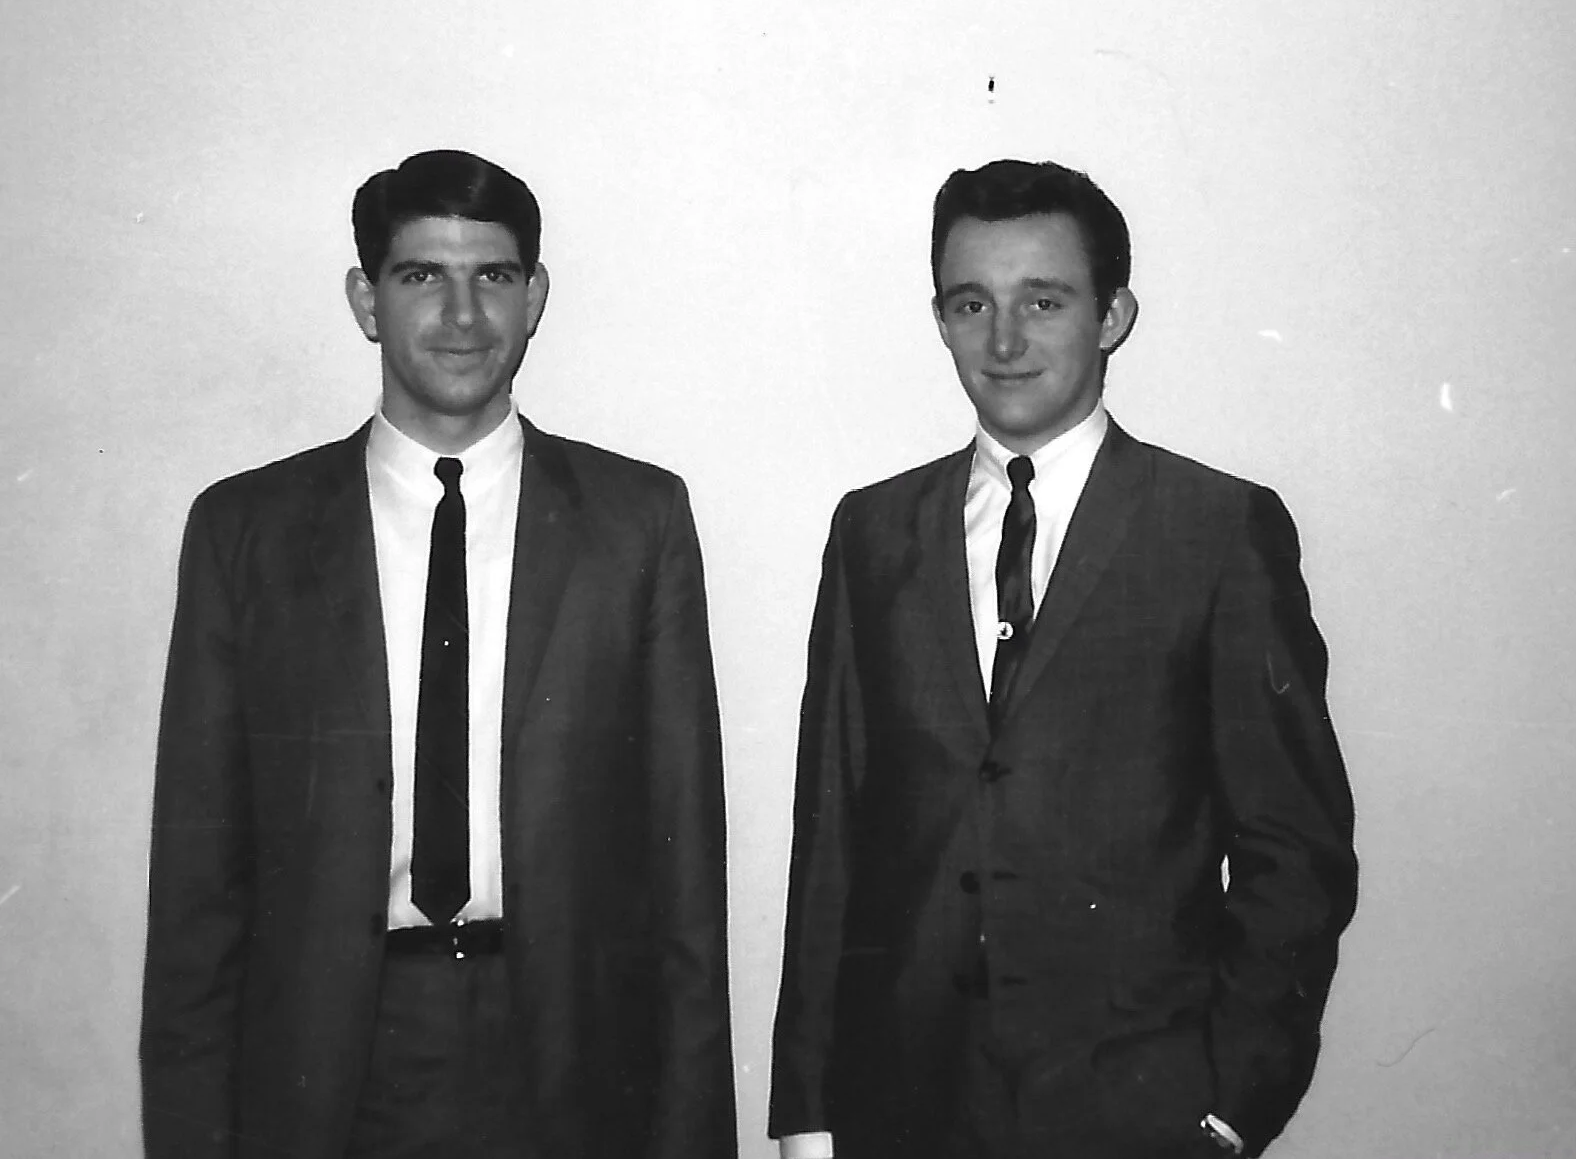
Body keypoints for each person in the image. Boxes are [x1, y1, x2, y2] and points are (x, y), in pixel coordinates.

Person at [141, 149, 737, 1159]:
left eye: (492, 275)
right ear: (366, 299)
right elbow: (197, 888)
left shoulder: (637, 521)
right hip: (329, 1063)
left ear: (534, 297)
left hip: (572, 1060)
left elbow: (685, 878)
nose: (463, 316)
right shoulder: (248, 533)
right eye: (422, 275)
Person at [769, 158, 1356, 1159]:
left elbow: (1294, 848)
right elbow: (830, 839)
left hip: (1136, 1109)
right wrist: (807, 1110)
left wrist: (1229, 1105)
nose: (1003, 340)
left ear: (1111, 315)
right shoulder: (872, 531)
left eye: (1042, 300)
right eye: (971, 303)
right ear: (941, 319)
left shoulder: (1214, 529)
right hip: (900, 1108)